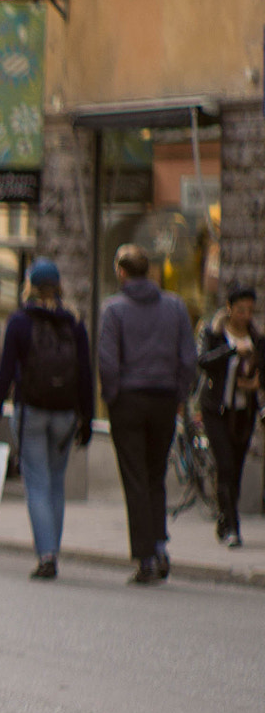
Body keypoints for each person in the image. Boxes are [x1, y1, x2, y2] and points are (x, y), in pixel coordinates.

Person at [0, 259, 95, 580]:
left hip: (30, 410)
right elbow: (86, 374)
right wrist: (87, 417)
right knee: (56, 484)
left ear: (28, 286)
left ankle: (46, 555)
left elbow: (4, 373)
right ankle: (53, 550)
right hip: (66, 414)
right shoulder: (74, 322)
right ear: (59, 286)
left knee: (37, 484)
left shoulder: (19, 321)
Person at [98, 243, 198, 584]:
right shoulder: (175, 306)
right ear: (149, 272)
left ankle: (146, 557)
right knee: (155, 474)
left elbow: (108, 362)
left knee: (135, 478)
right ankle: (159, 545)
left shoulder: (114, 310)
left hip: (128, 400)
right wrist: (179, 395)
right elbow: (188, 358)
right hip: (164, 400)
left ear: (121, 272)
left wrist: (112, 397)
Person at [196, 282, 260, 548]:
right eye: (240, 310)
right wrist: (232, 351)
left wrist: (256, 384)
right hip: (217, 411)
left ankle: (225, 517)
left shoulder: (257, 339)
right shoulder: (215, 334)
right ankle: (233, 526)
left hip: (243, 413)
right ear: (230, 309)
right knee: (224, 465)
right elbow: (204, 362)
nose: (245, 316)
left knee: (236, 468)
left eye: (250, 311)